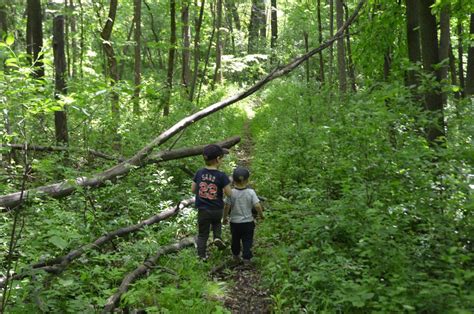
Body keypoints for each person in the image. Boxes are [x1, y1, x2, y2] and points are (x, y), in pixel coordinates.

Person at [192, 144, 232, 260]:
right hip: (217, 209)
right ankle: (217, 237)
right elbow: (229, 193)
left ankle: (201, 256)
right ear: (218, 159)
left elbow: (193, 189)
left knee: (203, 235)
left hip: (203, 210)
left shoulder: (199, 173)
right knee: (217, 223)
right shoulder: (221, 175)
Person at [223, 166, 264, 265]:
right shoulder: (251, 192)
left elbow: (226, 206)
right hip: (248, 222)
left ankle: (236, 256)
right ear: (247, 180)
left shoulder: (231, 193)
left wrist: (224, 218)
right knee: (247, 240)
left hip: (235, 222)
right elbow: (257, 205)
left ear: (233, 180)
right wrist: (261, 215)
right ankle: (246, 259)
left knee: (235, 239)